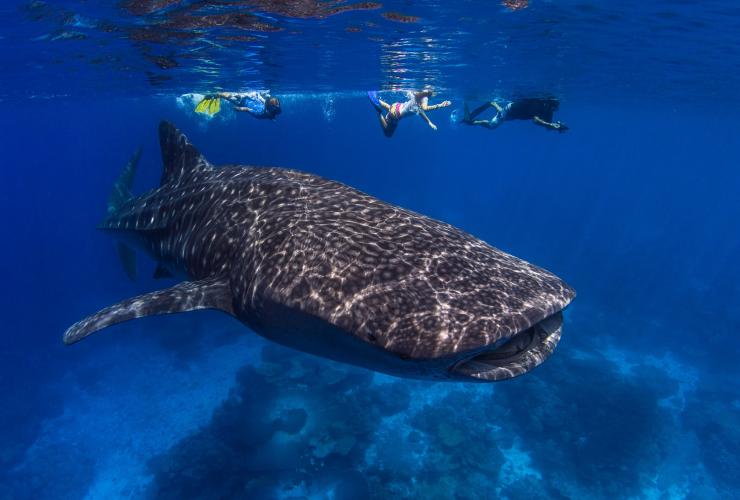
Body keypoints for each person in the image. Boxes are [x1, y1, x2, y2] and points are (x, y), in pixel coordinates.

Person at [368, 90, 451, 137]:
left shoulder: (415, 97)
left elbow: (421, 111)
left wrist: (430, 122)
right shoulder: (420, 102)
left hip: (395, 106)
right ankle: (378, 111)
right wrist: (439, 105)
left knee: (389, 108)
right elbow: (425, 109)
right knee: (388, 133)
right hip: (396, 114)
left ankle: (376, 100)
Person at [462, 98, 568, 132]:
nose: (554, 109)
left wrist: (555, 126)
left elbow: (548, 126)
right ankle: (473, 122)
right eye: (554, 106)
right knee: (492, 125)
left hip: (512, 113)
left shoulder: (546, 108)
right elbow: (535, 120)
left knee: (502, 113)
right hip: (511, 111)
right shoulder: (539, 105)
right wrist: (551, 125)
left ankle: (493, 104)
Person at [195, 91, 281, 119]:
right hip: (249, 97)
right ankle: (216, 94)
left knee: (223, 95)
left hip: (241, 101)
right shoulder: (271, 111)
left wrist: (239, 109)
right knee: (228, 94)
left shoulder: (260, 114)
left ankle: (212, 94)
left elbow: (247, 109)